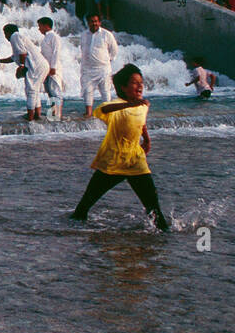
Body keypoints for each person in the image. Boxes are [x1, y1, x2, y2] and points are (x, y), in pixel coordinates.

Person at [70, 64, 169, 231]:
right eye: (134, 83)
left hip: (135, 162)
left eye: (141, 82)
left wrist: (147, 139)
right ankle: (70, 232)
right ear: (123, 87)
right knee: (85, 206)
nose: (140, 86)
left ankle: (164, 237)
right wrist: (129, 105)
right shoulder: (116, 106)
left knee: (153, 206)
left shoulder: (143, 105)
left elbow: (141, 123)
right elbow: (102, 109)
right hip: (112, 162)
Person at [0, 24, 49, 121]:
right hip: (42, 65)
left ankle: (30, 118)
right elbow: (13, 57)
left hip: (36, 66)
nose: (5, 36)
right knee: (35, 90)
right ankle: (37, 115)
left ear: (9, 32)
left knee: (31, 91)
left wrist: (21, 66)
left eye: (5, 33)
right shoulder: (19, 38)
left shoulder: (14, 36)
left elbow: (22, 53)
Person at [79, 13, 119, 118]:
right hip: (87, 69)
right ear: (88, 23)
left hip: (103, 69)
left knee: (105, 91)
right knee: (87, 91)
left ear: (99, 22)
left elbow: (114, 50)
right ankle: (88, 113)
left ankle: (108, 113)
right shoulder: (84, 35)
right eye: (91, 21)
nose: (94, 23)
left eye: (96, 21)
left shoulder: (107, 34)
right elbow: (83, 49)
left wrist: (108, 60)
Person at [36, 17, 64, 120]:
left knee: (55, 91)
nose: (39, 29)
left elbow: (56, 53)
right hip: (47, 69)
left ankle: (56, 115)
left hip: (53, 69)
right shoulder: (45, 38)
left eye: (40, 26)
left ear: (46, 26)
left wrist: (53, 67)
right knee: (49, 91)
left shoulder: (54, 37)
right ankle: (53, 113)